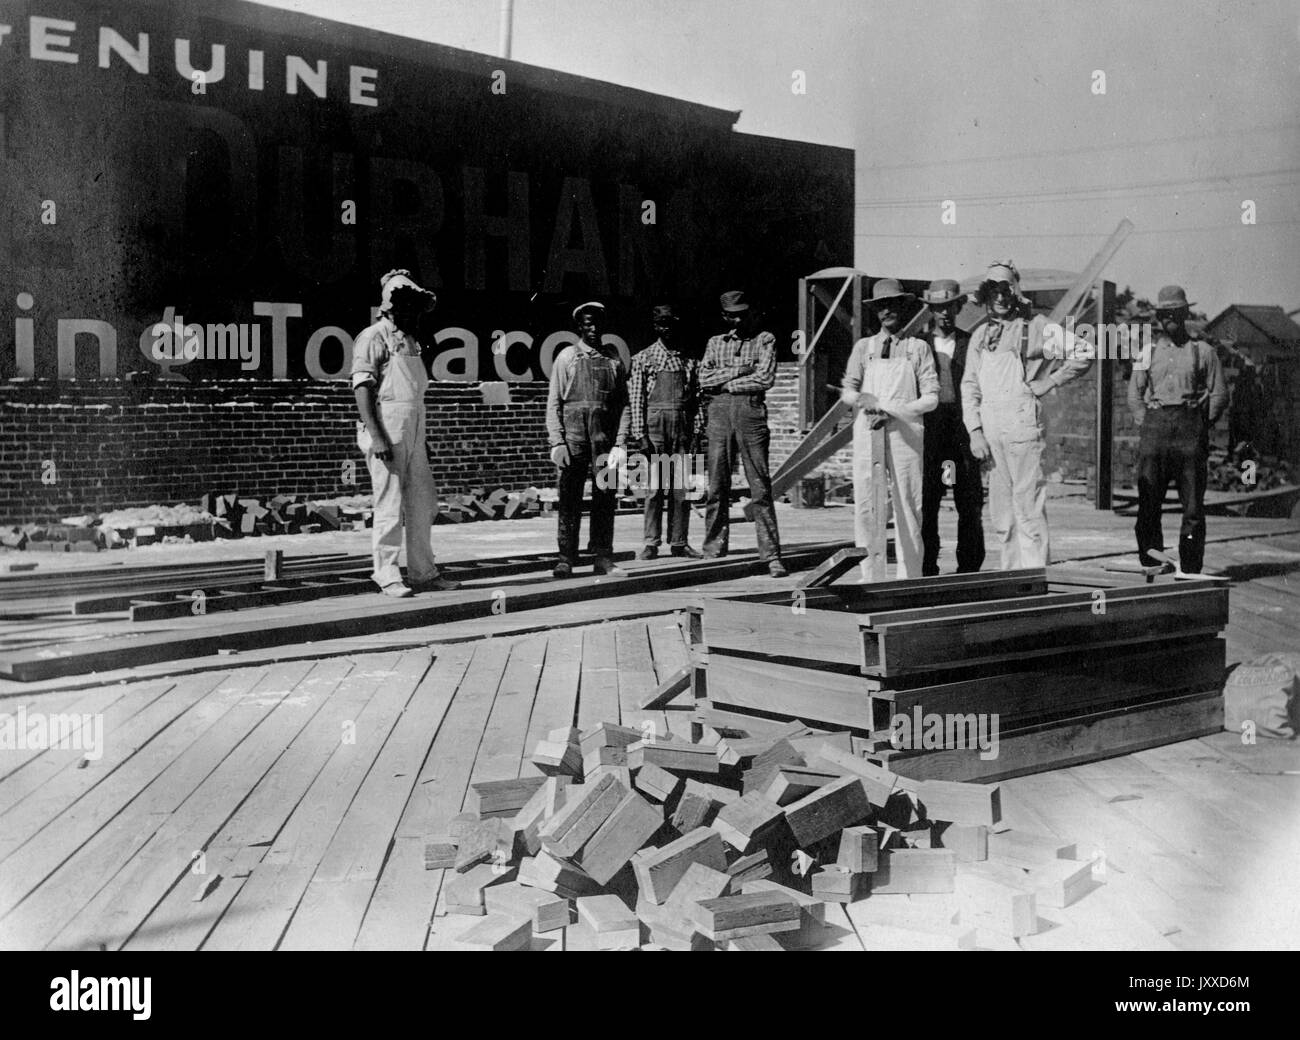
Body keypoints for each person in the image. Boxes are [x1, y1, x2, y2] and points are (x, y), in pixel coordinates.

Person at [961, 260, 1092, 569]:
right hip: (992, 433)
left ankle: (1033, 577)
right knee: (1002, 514)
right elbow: (970, 386)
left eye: (1006, 291)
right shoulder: (980, 336)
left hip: (1022, 427)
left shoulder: (1036, 326)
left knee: (1028, 506)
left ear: (1015, 292)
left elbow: (1083, 351)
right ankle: (1009, 578)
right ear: (986, 294)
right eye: (994, 291)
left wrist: (1050, 381)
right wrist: (974, 431)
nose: (1001, 298)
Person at [351, 270, 461, 597]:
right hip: (387, 425)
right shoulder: (374, 336)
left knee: (423, 502)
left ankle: (423, 572)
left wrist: (421, 438)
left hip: (414, 429)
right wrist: (379, 436)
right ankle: (387, 575)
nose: (410, 313)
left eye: (414, 306)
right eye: (404, 307)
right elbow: (362, 389)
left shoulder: (411, 341)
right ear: (388, 308)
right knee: (389, 504)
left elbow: (414, 395)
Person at [840, 279, 939, 580]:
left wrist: (893, 412)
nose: (887, 311)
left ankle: (909, 578)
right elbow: (847, 390)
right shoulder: (864, 348)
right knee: (867, 505)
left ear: (903, 307)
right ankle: (870, 577)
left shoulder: (917, 348)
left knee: (908, 505)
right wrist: (862, 399)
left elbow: (932, 397)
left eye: (893, 304)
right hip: (868, 431)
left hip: (905, 435)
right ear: (875, 312)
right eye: (881, 306)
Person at [1128, 285, 1228, 574]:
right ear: (1158, 317)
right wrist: (1144, 421)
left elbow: (1219, 394)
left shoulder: (1204, 351)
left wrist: (1200, 422)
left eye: (1175, 312)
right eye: (1164, 313)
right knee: (1148, 506)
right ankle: (1154, 564)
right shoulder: (1146, 353)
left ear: (1184, 314)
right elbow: (1135, 395)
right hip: (1155, 432)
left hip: (1189, 435)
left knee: (1194, 509)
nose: (1169, 318)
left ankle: (1190, 569)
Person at [699, 290, 786, 578]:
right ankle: (713, 549)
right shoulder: (715, 343)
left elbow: (765, 378)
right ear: (725, 317)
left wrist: (726, 381)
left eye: (743, 312)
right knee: (716, 484)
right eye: (733, 314)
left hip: (750, 411)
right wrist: (741, 371)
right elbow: (704, 379)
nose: (740, 318)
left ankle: (771, 555)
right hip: (719, 412)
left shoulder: (765, 339)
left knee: (759, 485)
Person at [547, 301, 630, 578]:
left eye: (597, 322)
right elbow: (554, 403)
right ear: (578, 327)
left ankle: (603, 557)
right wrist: (557, 442)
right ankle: (565, 557)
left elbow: (623, 405)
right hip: (574, 440)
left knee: (605, 498)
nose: (593, 328)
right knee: (570, 498)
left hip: (604, 440)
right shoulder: (566, 357)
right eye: (587, 323)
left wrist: (621, 442)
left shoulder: (613, 359)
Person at [919, 278, 985, 575]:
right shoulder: (918, 345)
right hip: (931, 431)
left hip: (961, 431)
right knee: (928, 499)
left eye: (950, 307)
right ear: (931, 311)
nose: (945, 314)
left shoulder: (970, 343)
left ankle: (969, 567)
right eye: (938, 308)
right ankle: (926, 564)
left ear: (959, 307)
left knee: (967, 499)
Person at [628, 303, 704, 559]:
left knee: (680, 489)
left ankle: (679, 542)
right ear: (655, 326)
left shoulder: (690, 360)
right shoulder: (643, 359)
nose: (666, 329)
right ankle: (651, 543)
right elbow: (636, 400)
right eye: (662, 324)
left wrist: (696, 433)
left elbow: (696, 400)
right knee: (654, 488)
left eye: (670, 324)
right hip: (656, 429)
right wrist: (640, 435)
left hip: (681, 428)